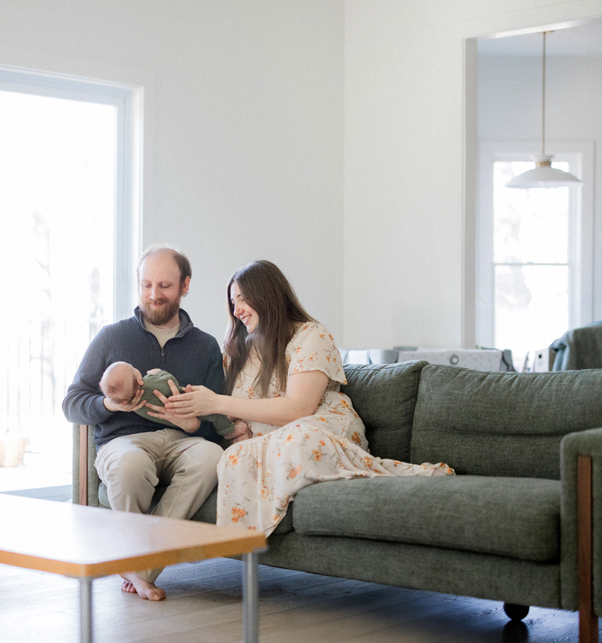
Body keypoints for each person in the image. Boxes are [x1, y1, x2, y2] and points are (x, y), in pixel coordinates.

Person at [157, 260, 454, 536]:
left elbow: (299, 408)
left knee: (297, 438)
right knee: (235, 456)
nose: (237, 310)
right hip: (269, 442)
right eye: (233, 303)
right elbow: (224, 416)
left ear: (268, 296)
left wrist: (218, 404)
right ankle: (238, 549)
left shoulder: (311, 336)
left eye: (244, 299)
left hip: (317, 427)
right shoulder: (238, 352)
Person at [62, 245, 225, 601]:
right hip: (125, 443)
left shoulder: (206, 346)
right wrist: (111, 404)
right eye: (146, 284)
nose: (154, 295)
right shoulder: (111, 337)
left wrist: (194, 424)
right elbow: (72, 403)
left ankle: (139, 568)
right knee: (130, 463)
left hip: (184, 441)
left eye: (164, 286)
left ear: (185, 286)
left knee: (212, 457)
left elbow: (218, 420)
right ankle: (141, 571)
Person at [99, 361, 249, 441]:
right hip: (188, 404)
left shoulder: (135, 405)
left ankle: (227, 419)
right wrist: (158, 372)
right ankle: (228, 431)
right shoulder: (149, 384)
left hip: (182, 422)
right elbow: (170, 381)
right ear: (139, 380)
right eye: (132, 367)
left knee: (214, 414)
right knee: (213, 412)